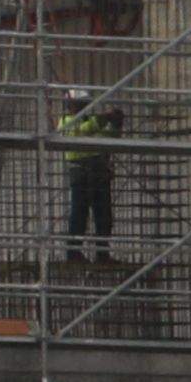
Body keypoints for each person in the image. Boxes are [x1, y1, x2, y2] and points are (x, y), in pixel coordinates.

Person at [68, 94, 122, 259]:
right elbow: (83, 130)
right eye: (80, 104)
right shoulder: (67, 121)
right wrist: (105, 117)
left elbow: (110, 137)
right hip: (81, 174)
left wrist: (116, 123)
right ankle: (73, 253)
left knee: (104, 216)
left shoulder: (92, 121)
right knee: (79, 215)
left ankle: (103, 252)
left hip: (99, 173)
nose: (83, 107)